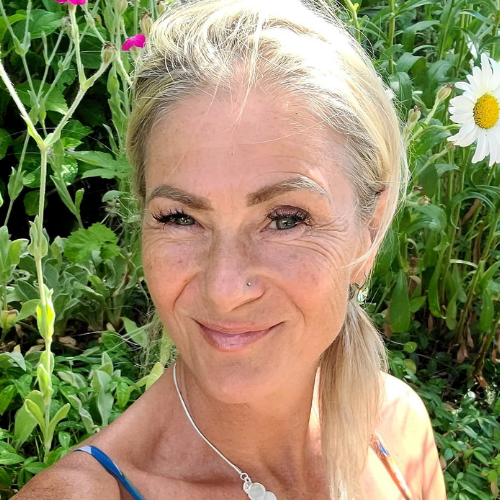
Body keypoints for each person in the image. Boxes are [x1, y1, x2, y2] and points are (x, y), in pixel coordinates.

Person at [14, 0, 447, 499]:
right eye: (181, 218)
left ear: (369, 231)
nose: (224, 290)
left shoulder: (397, 428)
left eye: (286, 219)